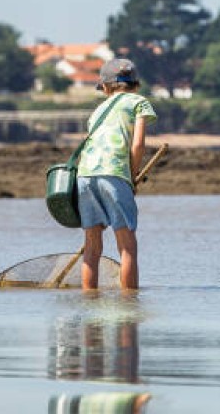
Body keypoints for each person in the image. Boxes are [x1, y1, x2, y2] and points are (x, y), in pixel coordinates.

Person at [77, 58, 157, 290]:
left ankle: (89, 303)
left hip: (85, 176)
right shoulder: (139, 102)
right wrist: (131, 176)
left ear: (105, 87)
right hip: (114, 175)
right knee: (127, 247)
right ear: (135, 85)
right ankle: (129, 305)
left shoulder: (97, 111)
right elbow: (138, 144)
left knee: (92, 247)